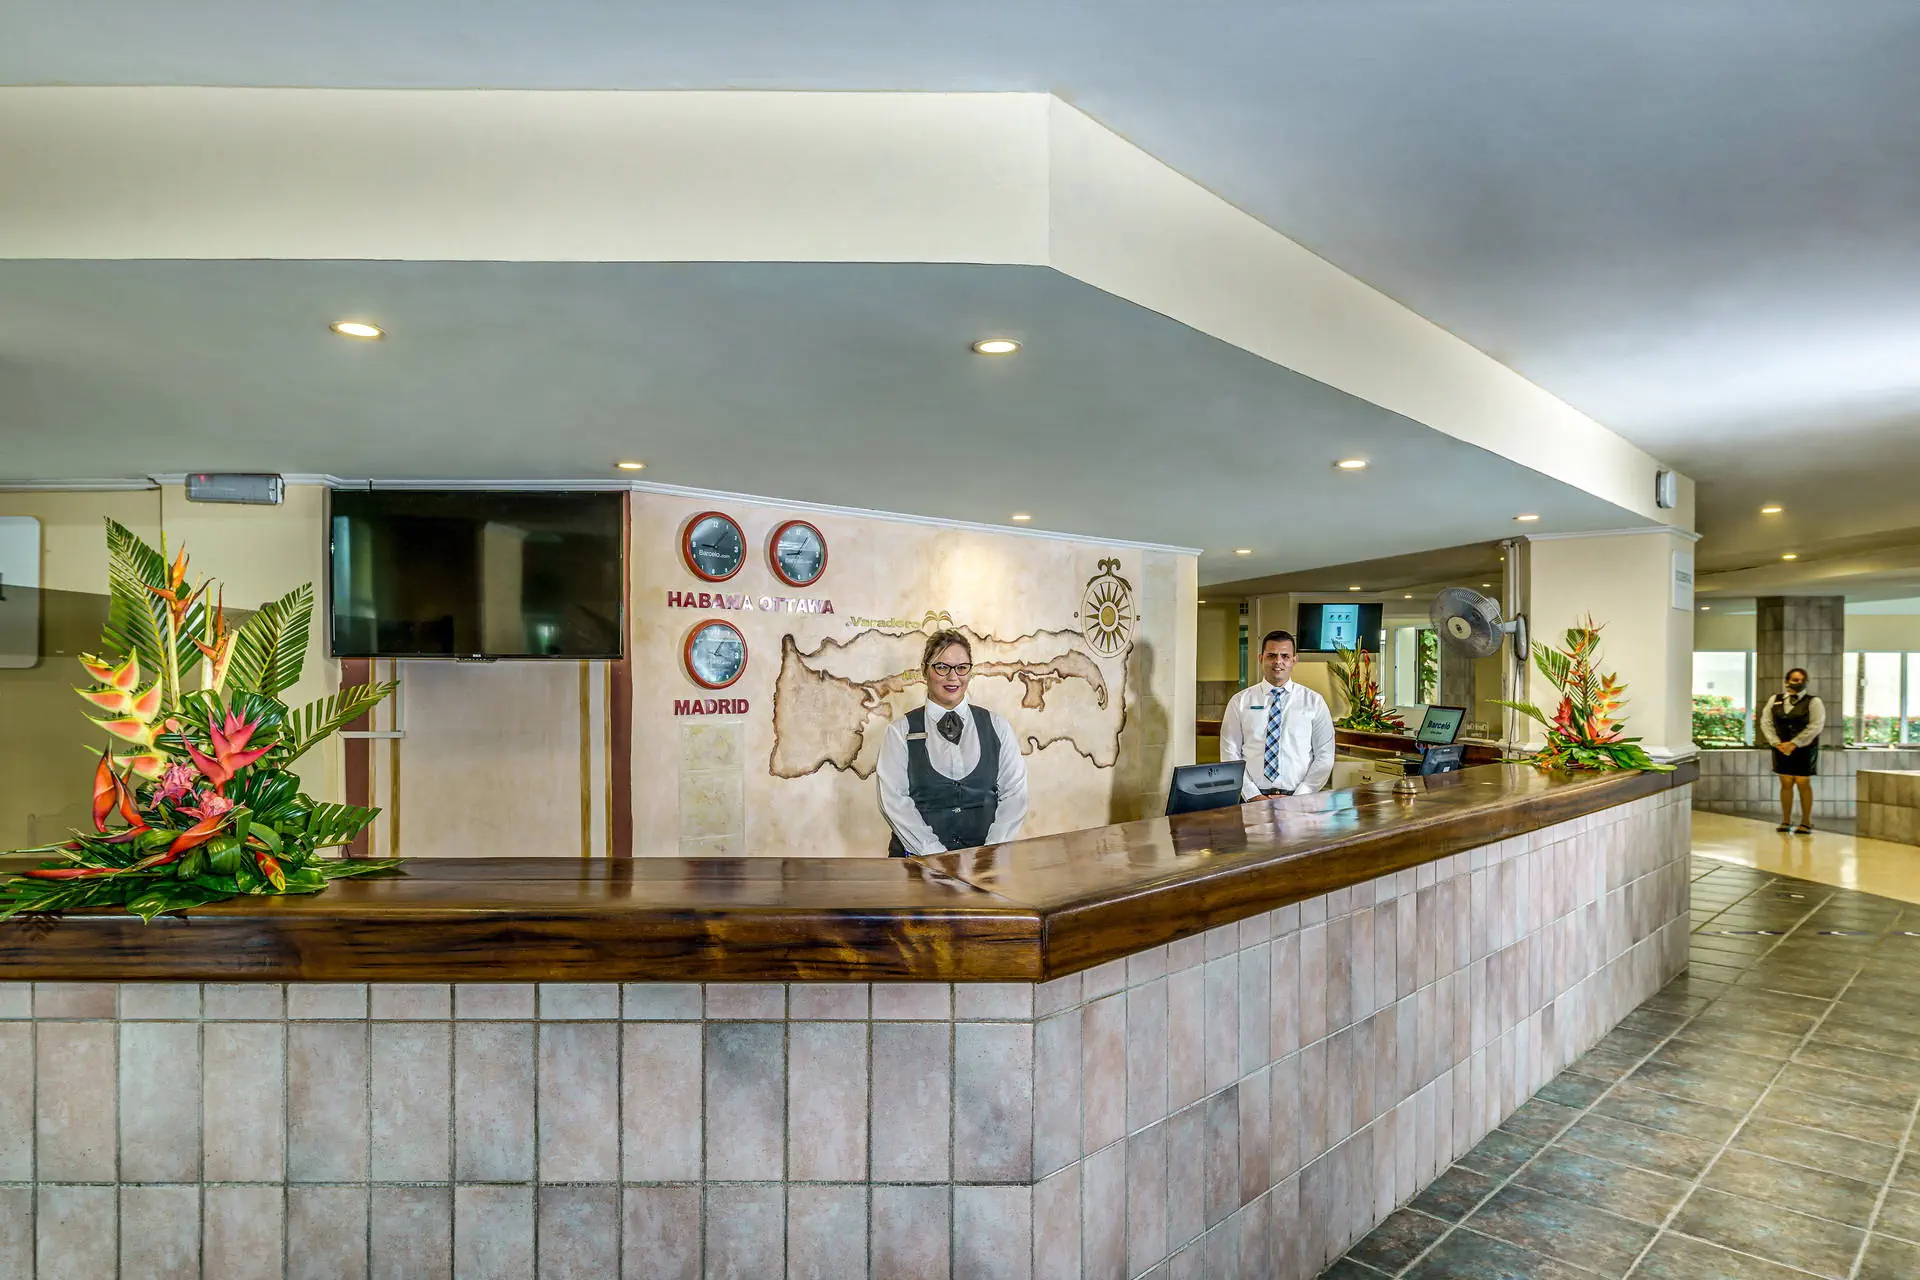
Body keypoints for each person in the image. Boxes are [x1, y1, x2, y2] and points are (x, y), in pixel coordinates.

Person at [877, 629, 1029, 856]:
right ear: (924, 670)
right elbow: (894, 802)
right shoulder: (899, 732)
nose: (953, 677)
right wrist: (935, 856)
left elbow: (1015, 794)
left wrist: (990, 853)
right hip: (917, 865)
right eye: (941, 667)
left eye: (961, 668)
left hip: (983, 864)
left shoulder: (998, 727)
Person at [1219, 629, 1337, 800]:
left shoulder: (1314, 702)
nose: (1278, 662)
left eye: (1285, 656)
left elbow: (1325, 755)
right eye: (1271, 656)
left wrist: (1300, 796)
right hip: (1249, 799)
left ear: (1294, 660)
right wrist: (1253, 795)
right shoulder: (1240, 702)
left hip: (1299, 800)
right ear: (1261, 658)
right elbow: (1230, 753)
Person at [1759, 667, 1825, 834]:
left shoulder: (1814, 702)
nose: (1799, 683)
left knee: (1803, 782)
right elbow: (1766, 722)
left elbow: (1816, 725)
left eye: (1802, 680)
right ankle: (1786, 820)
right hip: (1781, 747)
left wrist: (1795, 743)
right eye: (1795, 680)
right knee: (1785, 782)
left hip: (1804, 747)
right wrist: (1776, 743)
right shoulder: (1775, 699)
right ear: (1787, 681)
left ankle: (1806, 822)